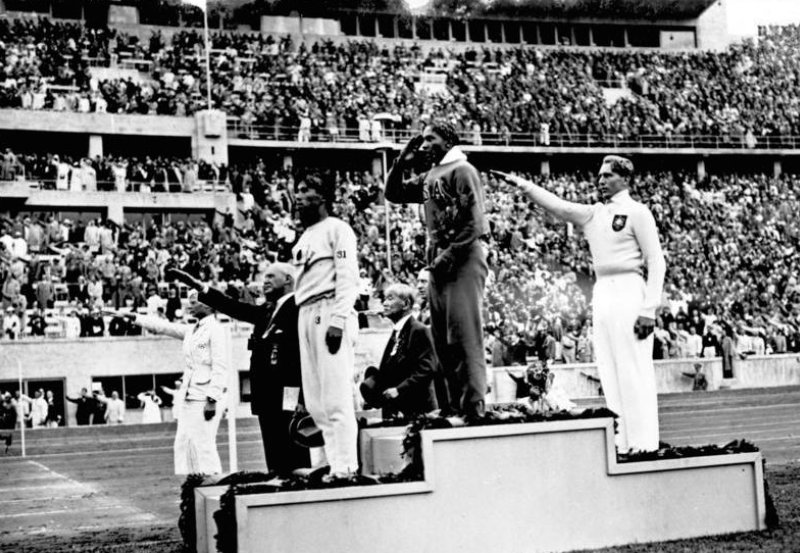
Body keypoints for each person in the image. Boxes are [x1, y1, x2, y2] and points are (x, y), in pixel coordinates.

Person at [492, 155, 666, 453]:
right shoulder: (593, 213)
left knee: (633, 368)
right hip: (603, 291)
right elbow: (558, 206)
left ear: (624, 179)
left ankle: (644, 443)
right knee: (609, 369)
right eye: (599, 176)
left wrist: (649, 308)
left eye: (607, 176)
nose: (600, 181)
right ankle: (622, 441)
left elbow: (656, 261)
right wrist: (522, 184)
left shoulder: (638, 212)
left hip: (629, 288)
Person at [386, 122, 490, 421]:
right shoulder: (431, 175)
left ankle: (473, 408)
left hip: (462, 260)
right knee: (443, 341)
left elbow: (475, 223)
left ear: (448, 141)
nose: (424, 145)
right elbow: (394, 193)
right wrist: (400, 162)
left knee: (464, 337)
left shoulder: (462, 170)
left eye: (431, 139)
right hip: (440, 264)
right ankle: (452, 406)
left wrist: (446, 256)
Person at [169, 264, 311, 477]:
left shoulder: (300, 309)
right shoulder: (266, 310)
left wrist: (300, 398)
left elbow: (303, 355)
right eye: (264, 277)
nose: (265, 281)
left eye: (271, 276)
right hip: (267, 397)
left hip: (289, 396)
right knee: (275, 459)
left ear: (289, 279)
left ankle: (302, 498)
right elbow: (233, 307)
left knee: (295, 456)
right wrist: (198, 286)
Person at [106, 290, 232, 475]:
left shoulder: (215, 330)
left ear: (206, 305)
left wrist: (212, 399)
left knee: (204, 443)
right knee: (182, 442)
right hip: (189, 394)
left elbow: (220, 366)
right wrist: (132, 316)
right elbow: (164, 327)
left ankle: (214, 485)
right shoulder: (193, 330)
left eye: (193, 302)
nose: (189, 305)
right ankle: (190, 483)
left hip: (206, 395)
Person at [292, 170, 360, 480]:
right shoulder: (304, 236)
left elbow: (348, 276)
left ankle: (347, 466)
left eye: (307, 190)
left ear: (322, 197)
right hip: (305, 312)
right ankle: (335, 465)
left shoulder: (338, 230)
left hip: (328, 308)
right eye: (299, 190)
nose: (300, 195)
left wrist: (338, 319)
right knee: (317, 403)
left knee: (335, 396)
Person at [359, 283, 438, 419]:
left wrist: (398, 390)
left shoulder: (420, 330)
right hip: (398, 411)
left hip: (419, 410)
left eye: (390, 298)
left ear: (406, 304)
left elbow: (427, 369)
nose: (384, 303)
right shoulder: (397, 332)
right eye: (384, 299)